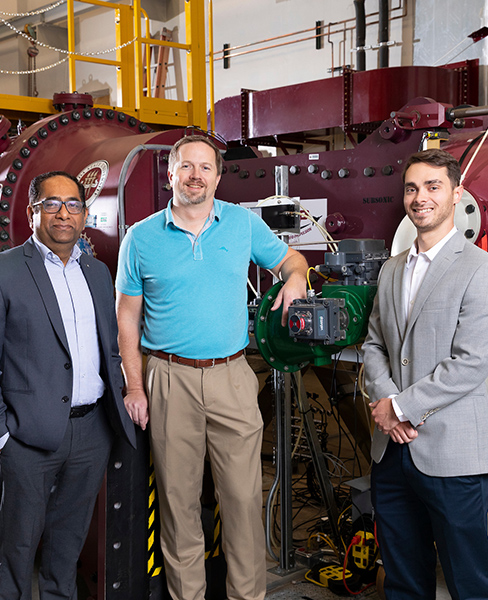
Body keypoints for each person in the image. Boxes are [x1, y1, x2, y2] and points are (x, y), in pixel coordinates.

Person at [115, 134, 308, 600]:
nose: (195, 175)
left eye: (205, 168)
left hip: (233, 377)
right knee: (178, 505)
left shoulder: (242, 224)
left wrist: (298, 276)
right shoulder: (140, 238)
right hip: (168, 378)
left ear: (219, 177)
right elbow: (127, 318)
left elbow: (290, 259)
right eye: (186, 167)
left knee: (242, 501)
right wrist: (135, 387)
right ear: (170, 174)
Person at [0, 171, 135, 600]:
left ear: (85, 215)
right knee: (18, 549)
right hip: (27, 438)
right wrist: (0, 437)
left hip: (92, 431)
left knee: (68, 543)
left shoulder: (96, 272)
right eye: (51, 204)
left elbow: (108, 348)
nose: (63, 213)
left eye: (73, 204)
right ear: (32, 212)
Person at [362, 148, 488, 600]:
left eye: (432, 186)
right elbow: (374, 345)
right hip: (391, 453)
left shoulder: (485, 270)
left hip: (453, 453)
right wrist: (388, 408)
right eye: (412, 188)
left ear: (456, 194)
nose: (420, 197)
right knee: (404, 577)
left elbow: (470, 363)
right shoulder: (391, 270)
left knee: (471, 581)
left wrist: (401, 407)